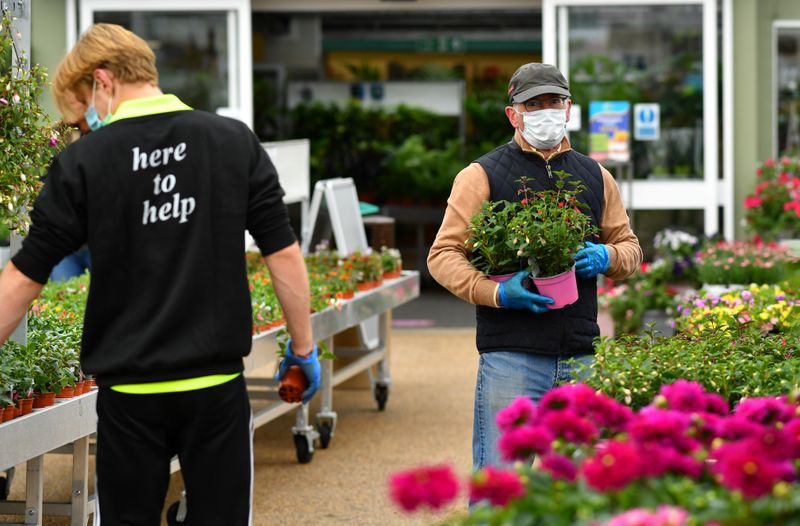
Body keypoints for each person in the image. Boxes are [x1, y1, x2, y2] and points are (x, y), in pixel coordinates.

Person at [0, 23, 320, 525]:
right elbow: (283, 254)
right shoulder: (232, 142)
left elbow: (23, 277)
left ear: (102, 82)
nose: (87, 124)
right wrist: (304, 350)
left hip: (130, 399)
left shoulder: (85, 161)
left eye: (84, 110)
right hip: (215, 389)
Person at [427, 62, 642, 471]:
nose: (547, 110)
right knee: (502, 485)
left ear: (568, 107)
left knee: (578, 486)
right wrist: (496, 292)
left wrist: (607, 257)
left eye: (554, 101)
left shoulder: (595, 176)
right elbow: (443, 255)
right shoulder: (481, 175)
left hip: (581, 353)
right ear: (514, 113)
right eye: (534, 103)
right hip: (511, 354)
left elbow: (629, 246)